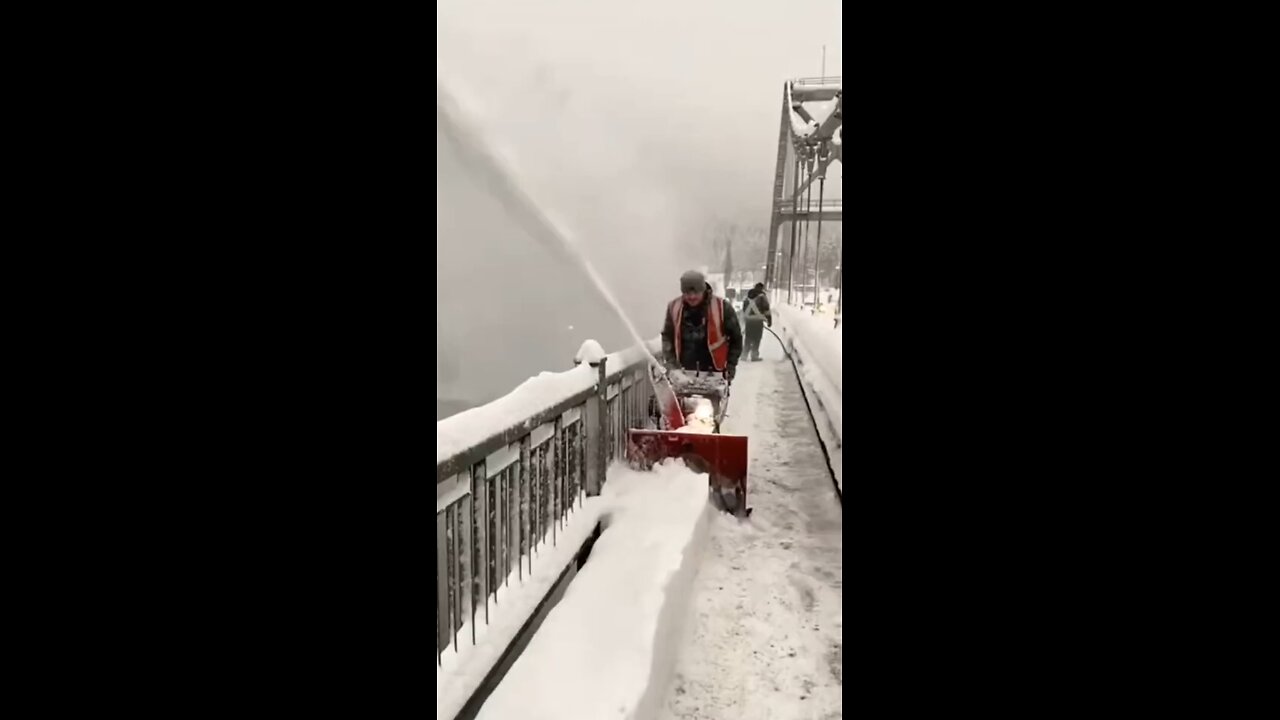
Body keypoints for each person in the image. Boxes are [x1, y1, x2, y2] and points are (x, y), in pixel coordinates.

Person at [661, 270, 743, 380]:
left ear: (703, 290)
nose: (692, 297)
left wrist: (730, 366)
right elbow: (667, 336)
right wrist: (672, 365)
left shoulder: (722, 307)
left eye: (696, 292)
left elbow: (736, 339)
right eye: (687, 293)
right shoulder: (674, 307)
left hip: (715, 373)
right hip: (683, 373)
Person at [741, 283, 772, 361]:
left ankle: (744, 355)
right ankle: (754, 356)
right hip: (758, 321)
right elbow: (766, 310)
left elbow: (744, 309)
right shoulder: (762, 297)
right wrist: (769, 320)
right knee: (757, 338)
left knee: (748, 337)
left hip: (749, 321)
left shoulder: (747, 297)